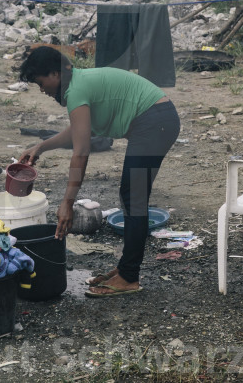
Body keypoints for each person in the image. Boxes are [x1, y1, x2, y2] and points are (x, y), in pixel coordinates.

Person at [17, 46, 180, 298]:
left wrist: (67, 202)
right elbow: (78, 131)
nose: (43, 90)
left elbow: (81, 151)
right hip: (156, 120)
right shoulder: (79, 84)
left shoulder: (77, 90)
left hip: (155, 121)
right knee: (131, 196)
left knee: (133, 197)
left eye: (41, 83)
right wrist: (42, 146)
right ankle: (126, 270)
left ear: (54, 73)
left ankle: (129, 277)